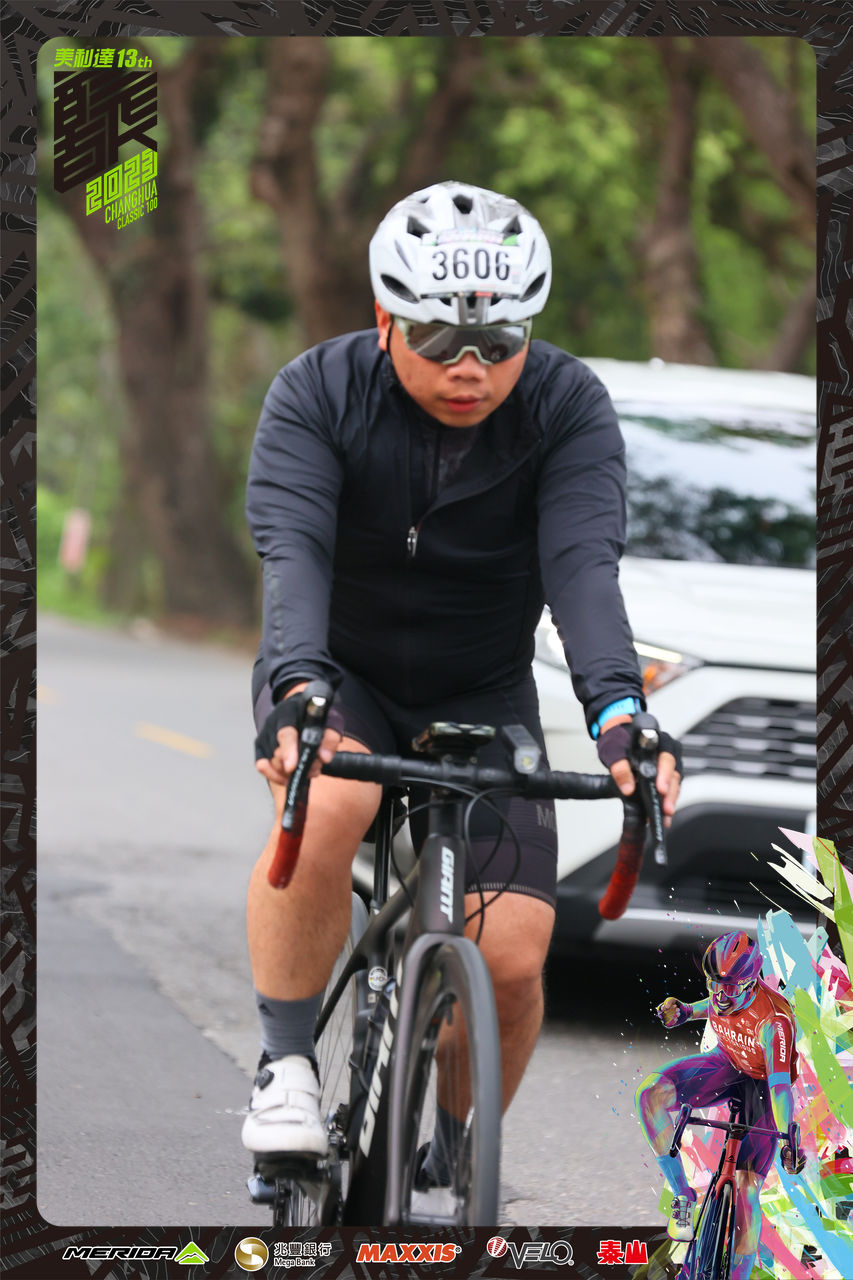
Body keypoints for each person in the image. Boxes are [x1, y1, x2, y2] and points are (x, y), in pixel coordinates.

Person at [242, 180, 682, 1174]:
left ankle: (451, 1150)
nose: (469, 367)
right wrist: (297, 691)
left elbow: (582, 570)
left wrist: (620, 712)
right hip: (338, 672)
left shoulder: (566, 406)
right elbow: (293, 554)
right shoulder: (316, 392)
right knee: (327, 803)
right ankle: (285, 1067)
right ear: (384, 319)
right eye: (438, 338)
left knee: (515, 959)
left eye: (497, 339)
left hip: (481, 689)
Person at [636, 930, 806, 1280]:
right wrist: (685, 1012)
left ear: (752, 982)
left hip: (764, 1087)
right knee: (649, 1094)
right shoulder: (723, 992)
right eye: (714, 984)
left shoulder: (774, 1022)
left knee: (745, 1192)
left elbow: (779, 1087)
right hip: (726, 1064)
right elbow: (712, 1005)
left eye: (730, 987)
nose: (720, 995)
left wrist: (789, 1137)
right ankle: (683, 1196)